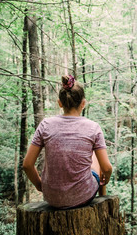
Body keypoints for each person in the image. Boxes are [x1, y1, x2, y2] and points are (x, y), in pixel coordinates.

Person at [23, 75, 112, 208]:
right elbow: (106, 168)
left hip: (51, 197)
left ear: (60, 103)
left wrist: (40, 185)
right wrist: (107, 177)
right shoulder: (93, 127)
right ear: (83, 103)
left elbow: (27, 165)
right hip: (83, 195)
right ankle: (102, 200)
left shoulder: (45, 125)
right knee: (95, 156)